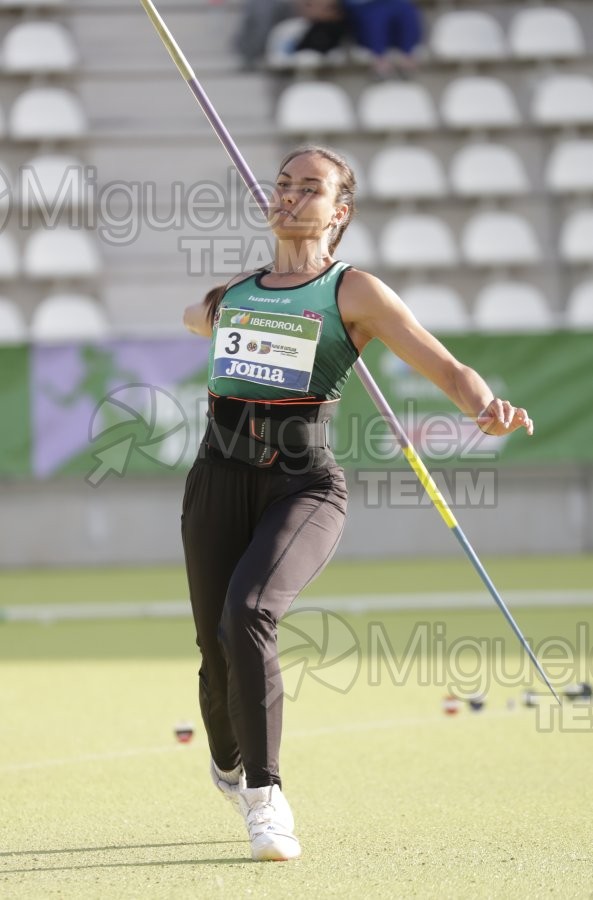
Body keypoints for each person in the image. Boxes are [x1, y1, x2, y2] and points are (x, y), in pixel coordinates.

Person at [181, 145, 534, 862]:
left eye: (309, 188)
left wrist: (482, 405)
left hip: (302, 484)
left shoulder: (353, 291)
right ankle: (226, 759)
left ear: (339, 211)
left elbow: (446, 364)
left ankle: (265, 794)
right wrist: (226, 317)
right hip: (215, 479)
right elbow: (197, 318)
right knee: (213, 655)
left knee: (247, 613)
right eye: (282, 185)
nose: (288, 196)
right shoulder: (235, 293)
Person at [342, 0, 423, 78]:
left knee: (406, 11)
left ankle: (408, 55)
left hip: (394, 4)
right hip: (366, 6)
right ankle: (379, 59)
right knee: (376, 15)